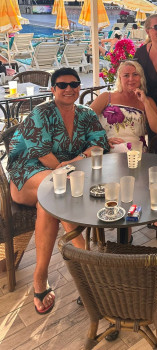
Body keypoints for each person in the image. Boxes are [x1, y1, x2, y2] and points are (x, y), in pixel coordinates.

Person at [8, 68, 109, 314]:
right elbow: (43, 155)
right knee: (56, 187)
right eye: (62, 85)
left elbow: (99, 143)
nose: (69, 89)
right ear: (53, 89)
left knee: (50, 201)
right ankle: (88, 265)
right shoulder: (40, 113)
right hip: (28, 172)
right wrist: (68, 167)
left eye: (74, 84)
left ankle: (40, 278)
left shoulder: (86, 114)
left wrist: (76, 160)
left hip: (66, 175)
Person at [90, 60, 157, 150]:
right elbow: (84, 121)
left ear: (141, 78)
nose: (131, 79)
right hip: (110, 151)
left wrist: (145, 102)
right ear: (120, 78)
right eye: (126, 75)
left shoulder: (147, 101)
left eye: (135, 74)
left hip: (137, 153)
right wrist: (102, 140)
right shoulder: (106, 97)